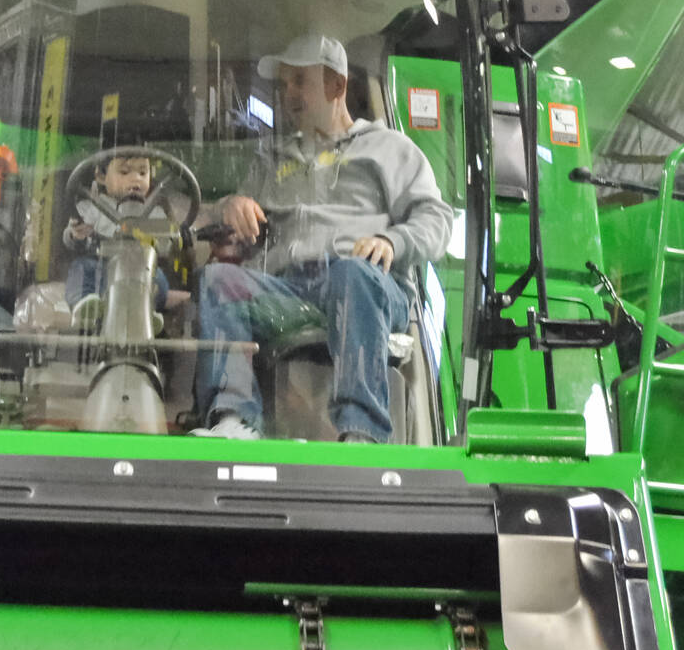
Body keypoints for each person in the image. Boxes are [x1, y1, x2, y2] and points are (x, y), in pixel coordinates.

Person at [192, 34, 453, 443]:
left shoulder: (389, 149)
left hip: (367, 284)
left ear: (337, 87)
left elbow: (437, 219)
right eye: (283, 85)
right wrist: (232, 204)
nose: (287, 94)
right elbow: (222, 221)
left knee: (351, 274)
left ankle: (361, 433)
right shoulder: (272, 159)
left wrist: (391, 241)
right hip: (290, 289)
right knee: (219, 282)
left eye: (300, 82)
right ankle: (234, 419)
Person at [64, 152, 171, 325]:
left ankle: (146, 313)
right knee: (80, 268)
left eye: (143, 173)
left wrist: (173, 238)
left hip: (140, 266)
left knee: (159, 279)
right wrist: (75, 233)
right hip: (101, 266)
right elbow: (72, 234)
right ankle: (84, 306)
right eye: (124, 172)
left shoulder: (155, 212)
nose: (136, 179)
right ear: (100, 176)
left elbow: (167, 239)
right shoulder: (92, 207)